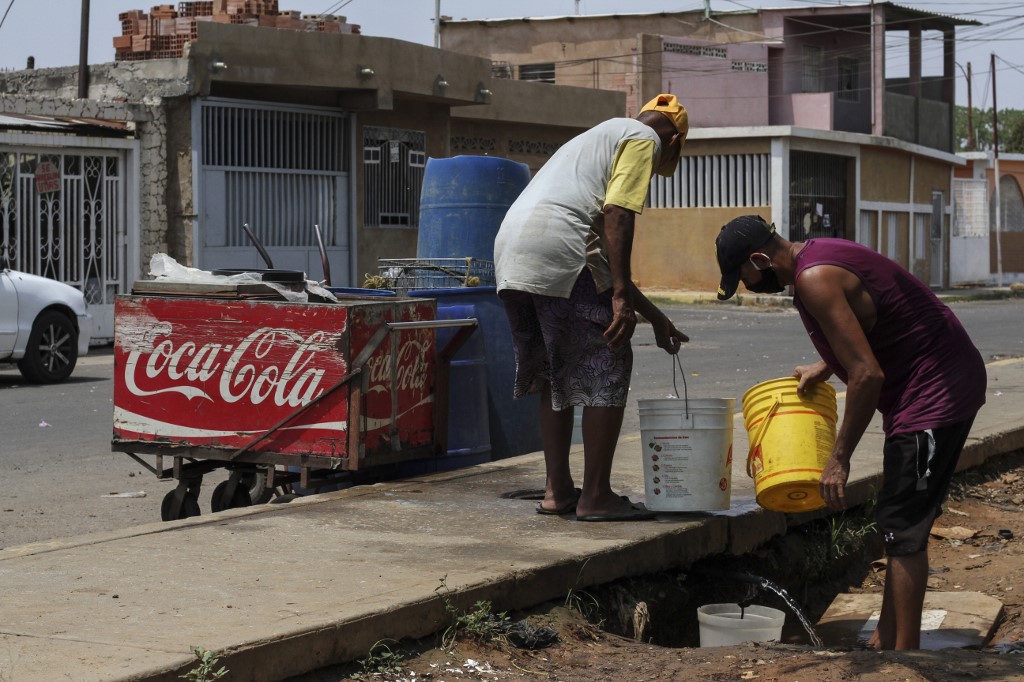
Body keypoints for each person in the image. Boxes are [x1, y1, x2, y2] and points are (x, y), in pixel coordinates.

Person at [714, 215, 987, 649]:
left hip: (936, 393)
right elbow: (873, 314)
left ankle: (905, 659)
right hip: (930, 385)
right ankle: (885, 637)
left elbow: (866, 375)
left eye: (742, 276)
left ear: (760, 259)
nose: (745, 284)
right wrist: (826, 364)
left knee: (905, 527)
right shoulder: (818, 254)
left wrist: (838, 459)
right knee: (898, 522)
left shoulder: (814, 280)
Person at [494, 94, 690, 522]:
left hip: (514, 247)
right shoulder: (643, 140)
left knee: (555, 367)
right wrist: (620, 298)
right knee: (609, 358)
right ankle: (597, 496)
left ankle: (557, 489)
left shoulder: (597, 138)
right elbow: (617, 212)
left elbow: (598, 259)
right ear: (673, 141)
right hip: (559, 246)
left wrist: (654, 316)